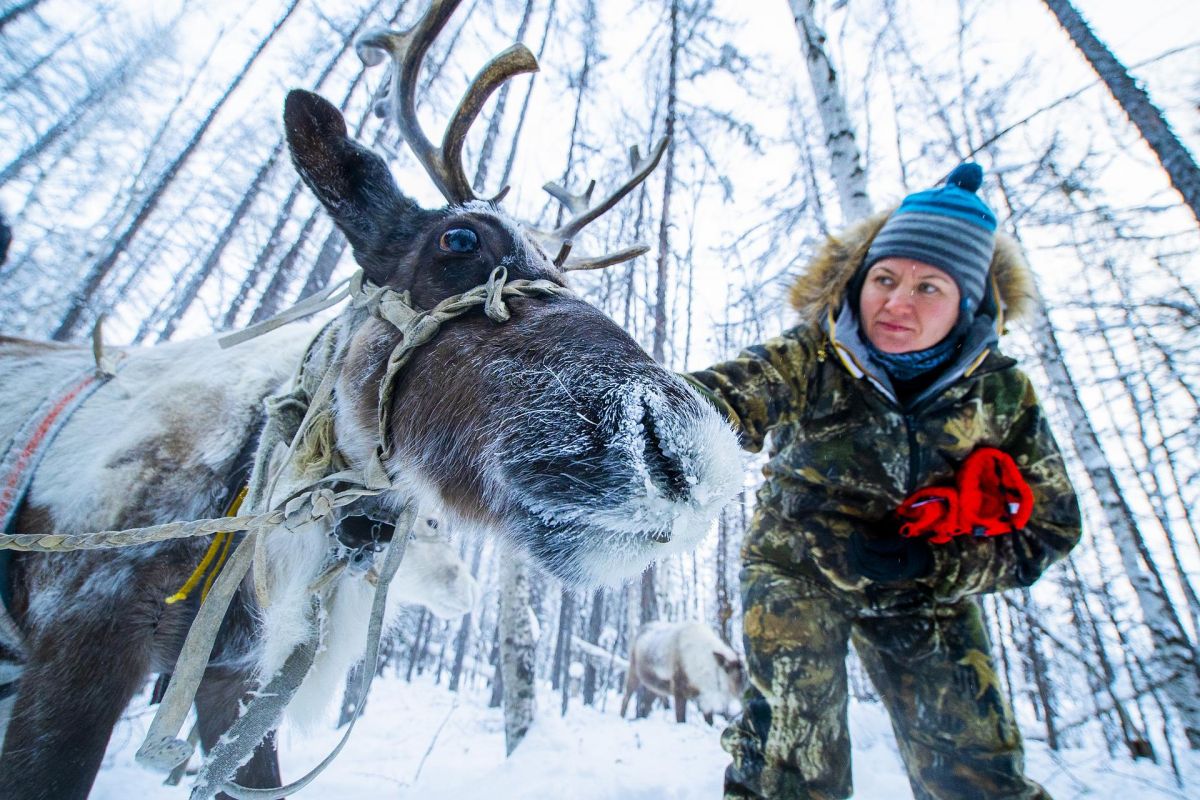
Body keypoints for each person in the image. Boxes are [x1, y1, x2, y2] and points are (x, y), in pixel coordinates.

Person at [684, 163, 1082, 800]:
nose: (897, 303)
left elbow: (1051, 527)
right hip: (798, 565)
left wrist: (935, 562)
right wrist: (630, 422)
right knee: (790, 752)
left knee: (978, 772)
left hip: (926, 584)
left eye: (930, 287)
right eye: (885, 278)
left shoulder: (1002, 395)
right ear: (859, 278)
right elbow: (720, 401)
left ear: (969, 304)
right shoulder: (811, 356)